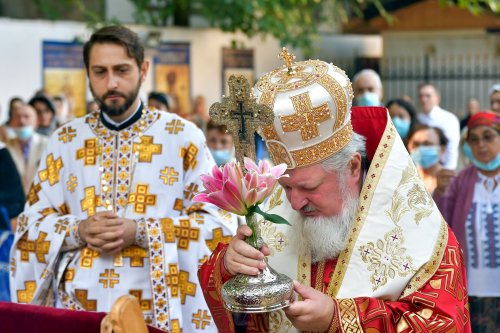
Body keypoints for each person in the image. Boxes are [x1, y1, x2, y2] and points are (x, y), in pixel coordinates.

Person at [199, 55, 470, 332]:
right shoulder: (274, 220)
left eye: (309, 188)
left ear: (352, 167)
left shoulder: (426, 237)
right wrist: (228, 268)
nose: (294, 203)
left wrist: (339, 318)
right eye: (286, 187)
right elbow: (241, 312)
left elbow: (443, 321)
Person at [9, 25, 237, 332]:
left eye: (122, 70)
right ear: (87, 73)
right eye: (99, 72)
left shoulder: (183, 137)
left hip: (158, 309)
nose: (111, 82)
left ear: (143, 69)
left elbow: (218, 226)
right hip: (78, 311)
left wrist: (142, 231)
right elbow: (28, 229)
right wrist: (78, 230)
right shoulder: (65, 141)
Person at [434, 112, 499, 332]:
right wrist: (440, 193)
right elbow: (442, 228)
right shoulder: (459, 181)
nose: (481, 144)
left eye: (488, 137)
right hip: (471, 289)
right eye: (474, 139)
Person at [5, 104, 48, 194]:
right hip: (13, 202)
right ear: (11, 122)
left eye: (26, 117)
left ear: (36, 121)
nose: (21, 121)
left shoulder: (48, 144)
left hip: (41, 200)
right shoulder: (5, 147)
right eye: (17, 117)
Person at [417, 83, 460, 170]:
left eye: (428, 96)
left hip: (441, 168)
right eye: (421, 96)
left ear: (437, 98)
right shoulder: (418, 118)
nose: (423, 99)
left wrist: (448, 170)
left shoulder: (448, 119)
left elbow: (452, 148)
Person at [406, 125, 448, 193]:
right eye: (416, 144)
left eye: (427, 144)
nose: (420, 149)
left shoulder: (449, 181)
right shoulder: (404, 180)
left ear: (442, 150)